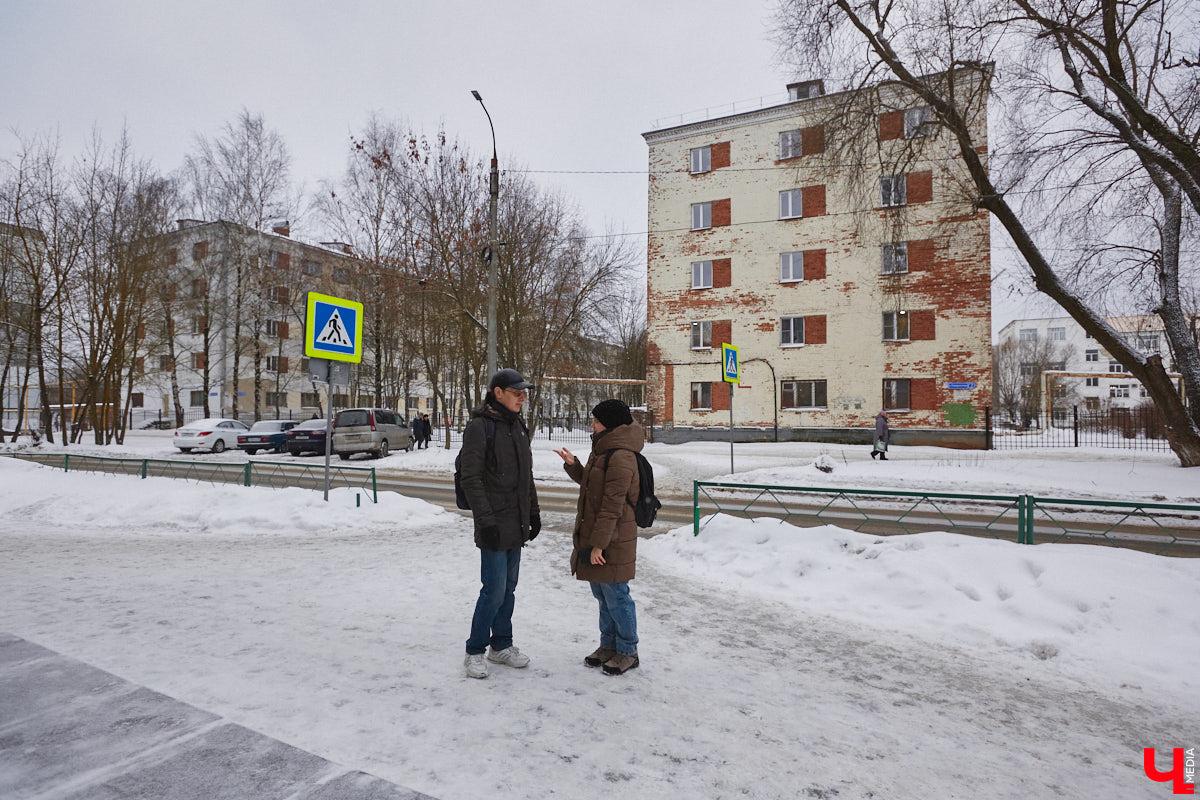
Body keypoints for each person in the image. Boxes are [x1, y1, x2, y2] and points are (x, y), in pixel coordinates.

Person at [459, 368, 541, 679]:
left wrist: (533, 513)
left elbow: (525, 476)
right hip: (493, 522)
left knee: (509, 589)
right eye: (517, 392)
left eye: (524, 393)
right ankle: (474, 651)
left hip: (515, 522)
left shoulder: (517, 425)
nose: (522, 398)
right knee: (493, 590)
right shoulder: (480, 427)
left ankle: (501, 645)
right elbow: (471, 478)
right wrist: (486, 521)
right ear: (498, 393)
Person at [553, 399, 642, 676]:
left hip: (613, 538)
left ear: (610, 424)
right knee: (603, 595)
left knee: (617, 596)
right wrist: (574, 466)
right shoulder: (603, 449)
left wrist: (598, 545)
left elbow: (612, 505)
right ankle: (609, 645)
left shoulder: (621, 455)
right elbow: (594, 486)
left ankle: (628, 651)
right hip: (600, 535)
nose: (592, 424)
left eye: (596, 420)